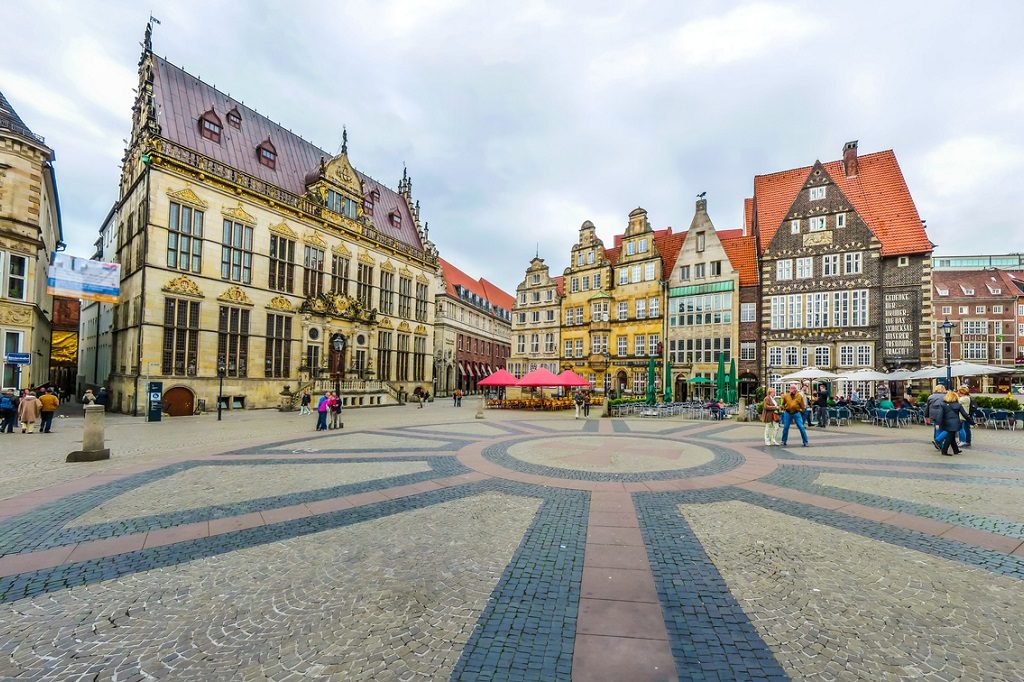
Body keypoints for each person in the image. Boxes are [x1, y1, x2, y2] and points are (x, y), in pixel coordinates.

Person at [938, 390, 971, 456]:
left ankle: (956, 450)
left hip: (946, 422)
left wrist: (938, 423)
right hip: (955, 423)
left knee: (952, 436)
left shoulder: (943, 404)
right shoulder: (958, 405)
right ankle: (944, 451)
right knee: (949, 437)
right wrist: (972, 422)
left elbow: (940, 415)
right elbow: (965, 414)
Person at [780, 382, 809, 447]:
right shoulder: (786, 396)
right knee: (786, 427)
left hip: (796, 413)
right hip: (787, 413)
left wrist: (802, 410)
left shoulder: (799, 396)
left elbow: (802, 406)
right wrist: (784, 408)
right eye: (791, 388)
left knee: (801, 427)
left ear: (796, 389)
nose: (792, 389)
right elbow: (783, 404)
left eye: (793, 388)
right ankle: (783, 441)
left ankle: (805, 442)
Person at [925, 384, 947, 448]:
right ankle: (939, 442)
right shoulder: (945, 396)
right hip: (943, 414)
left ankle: (937, 440)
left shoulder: (930, 396)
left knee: (937, 427)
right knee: (943, 428)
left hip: (933, 415)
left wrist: (926, 416)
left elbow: (927, 407)